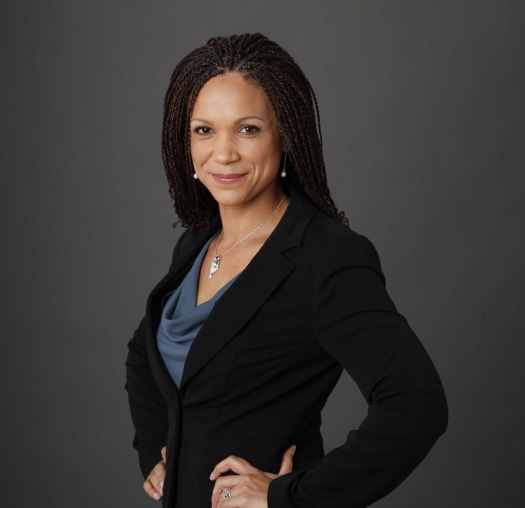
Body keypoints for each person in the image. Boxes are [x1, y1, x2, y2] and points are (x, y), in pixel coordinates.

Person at [125, 33, 447, 508]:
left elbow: (416, 404)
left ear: (286, 134)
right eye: (204, 130)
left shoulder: (326, 257)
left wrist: (289, 496)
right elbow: (144, 354)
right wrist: (156, 447)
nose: (223, 153)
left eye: (248, 129)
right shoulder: (197, 243)